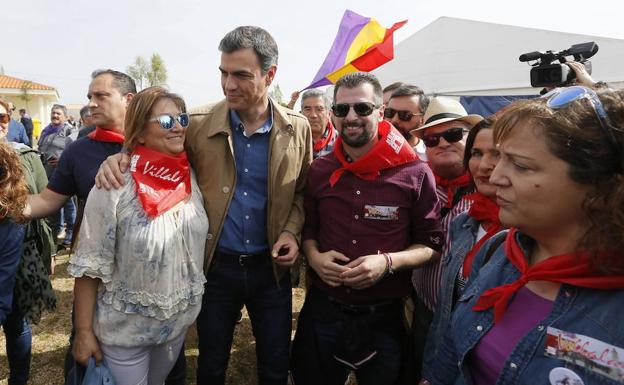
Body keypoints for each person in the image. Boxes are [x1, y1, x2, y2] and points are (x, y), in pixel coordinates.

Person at [95, 26, 312, 385]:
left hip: (270, 271)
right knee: (211, 364)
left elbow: (301, 192)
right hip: (214, 270)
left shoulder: (298, 129)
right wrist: (119, 158)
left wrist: (290, 230)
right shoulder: (194, 124)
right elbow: (152, 151)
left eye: (241, 74)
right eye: (223, 73)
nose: (228, 85)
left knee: (275, 364)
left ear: (270, 75)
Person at [430, 87, 624, 385]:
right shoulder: (498, 250)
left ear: (601, 187)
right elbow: (451, 353)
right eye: (500, 158)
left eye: (520, 166)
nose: (494, 177)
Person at [290, 72, 443, 385]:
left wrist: (387, 263)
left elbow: (431, 246)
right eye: (342, 109)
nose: (351, 117)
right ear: (333, 113)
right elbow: (310, 230)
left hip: (383, 316)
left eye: (362, 108)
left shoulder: (414, 172)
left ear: (379, 112)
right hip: (323, 309)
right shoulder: (320, 169)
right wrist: (314, 257)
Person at [69, 86, 208, 384]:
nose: (179, 126)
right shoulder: (113, 185)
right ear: (140, 133)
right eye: (166, 121)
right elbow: (88, 267)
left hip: (176, 327)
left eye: (182, 118)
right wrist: (82, 332)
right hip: (125, 333)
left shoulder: (191, 175)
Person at [420, 118, 501, 384]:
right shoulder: (465, 223)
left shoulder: (535, 234)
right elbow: (448, 315)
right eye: (477, 154)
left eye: (498, 154)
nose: (485, 165)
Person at [408, 96, 483, 380]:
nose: (442, 143)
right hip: (423, 310)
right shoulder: (417, 187)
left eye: (453, 134)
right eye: (431, 139)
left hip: (469, 322)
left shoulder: (495, 190)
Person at [1, 98, 56, 385]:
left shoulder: (26, 157)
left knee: (17, 323)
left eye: (2, 118)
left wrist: (50, 252)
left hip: (23, 254)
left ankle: (19, 378)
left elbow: (46, 205)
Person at [37, 103, 76, 247]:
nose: (55, 115)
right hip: (47, 173)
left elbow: (76, 151)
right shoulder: (46, 131)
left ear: (65, 117)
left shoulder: (69, 131)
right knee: (53, 203)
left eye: (58, 113)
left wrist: (62, 160)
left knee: (68, 204)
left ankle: (70, 233)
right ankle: (58, 229)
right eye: (53, 113)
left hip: (64, 174)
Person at [384, 84, 429, 159]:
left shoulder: (431, 157)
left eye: (405, 115)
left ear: (422, 120)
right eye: (390, 112)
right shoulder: (369, 151)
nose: (395, 120)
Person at [300, 88, 338, 158]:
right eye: (308, 109)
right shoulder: (292, 142)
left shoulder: (342, 142)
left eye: (319, 109)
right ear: (301, 113)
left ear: (329, 114)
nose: (313, 115)